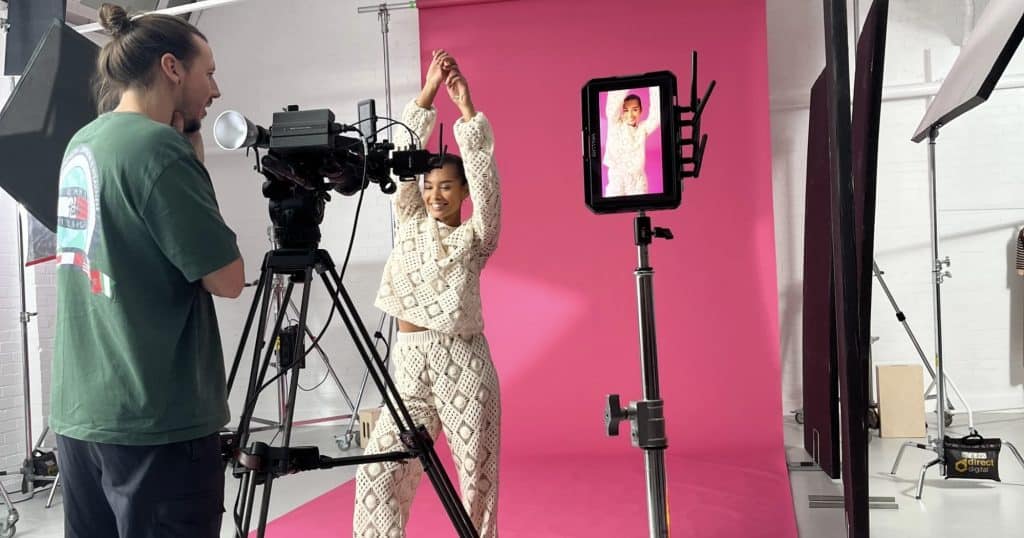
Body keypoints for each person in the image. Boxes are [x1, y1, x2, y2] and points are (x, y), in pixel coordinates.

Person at [51, 4, 243, 537]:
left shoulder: (83, 142)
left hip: (82, 414)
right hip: (153, 420)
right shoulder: (158, 148)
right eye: (208, 72)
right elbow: (226, 278)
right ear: (171, 68)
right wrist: (194, 167)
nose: (216, 90)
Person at [353, 50, 502, 537]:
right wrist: (428, 90)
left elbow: (485, 176)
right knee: (377, 474)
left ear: (463, 195)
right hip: (410, 364)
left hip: (463, 364)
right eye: (431, 186)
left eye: (447, 187)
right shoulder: (411, 220)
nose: (436, 194)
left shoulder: (476, 237)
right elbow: (402, 160)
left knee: (476, 487)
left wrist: (466, 110)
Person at [603, 87, 661, 196]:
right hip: (617, 178)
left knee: (640, 207)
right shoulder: (615, 124)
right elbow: (612, 107)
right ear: (622, 111)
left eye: (635, 110)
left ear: (640, 111)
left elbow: (656, 117)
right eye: (626, 110)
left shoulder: (642, 129)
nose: (630, 115)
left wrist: (655, 87)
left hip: (637, 181)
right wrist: (622, 84)